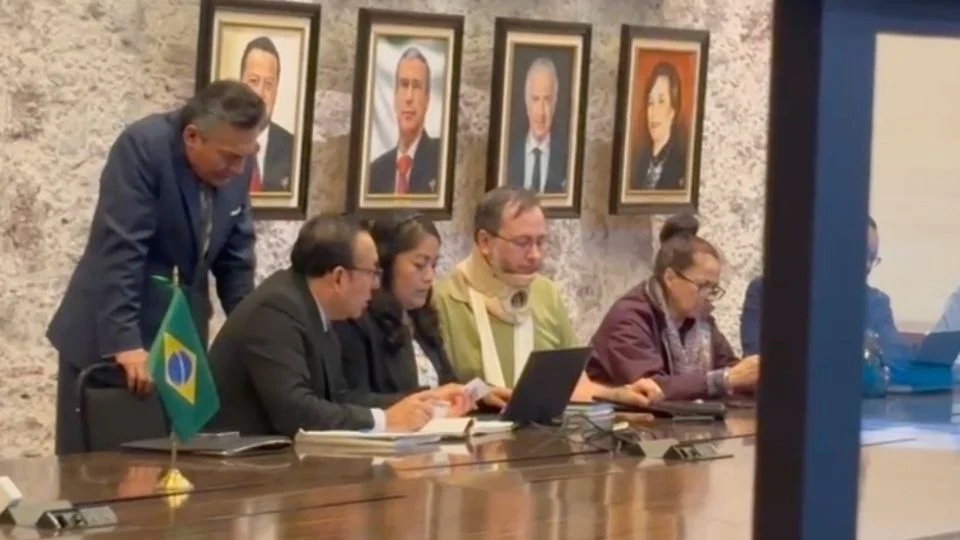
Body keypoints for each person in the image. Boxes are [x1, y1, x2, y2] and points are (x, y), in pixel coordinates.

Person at [46, 80, 264, 456]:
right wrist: (125, 343)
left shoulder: (238, 165)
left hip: (181, 346)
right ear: (192, 137)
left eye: (248, 155)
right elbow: (121, 250)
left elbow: (236, 261)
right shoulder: (143, 147)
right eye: (230, 157)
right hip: (114, 339)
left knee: (180, 469)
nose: (240, 168)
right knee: (105, 475)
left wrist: (256, 338)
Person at [207, 215, 471, 437]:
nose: (376, 285)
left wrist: (423, 404)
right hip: (233, 467)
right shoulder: (276, 310)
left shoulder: (316, 309)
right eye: (371, 273)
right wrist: (385, 420)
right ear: (339, 278)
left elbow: (338, 397)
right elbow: (296, 412)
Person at [433, 186, 663, 405]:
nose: (535, 255)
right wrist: (480, 395)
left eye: (541, 242)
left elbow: (572, 385)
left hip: (540, 430)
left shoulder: (546, 293)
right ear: (485, 242)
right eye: (522, 243)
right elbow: (434, 392)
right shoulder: (444, 298)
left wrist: (619, 394)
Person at [333, 213, 512, 408]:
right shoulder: (356, 318)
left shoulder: (420, 318)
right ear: (386, 264)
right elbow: (352, 400)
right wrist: (430, 399)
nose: (429, 276)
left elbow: (448, 385)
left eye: (433, 265)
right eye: (419, 265)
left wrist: (478, 393)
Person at [586, 214, 760, 400]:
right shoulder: (628, 319)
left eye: (713, 289)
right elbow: (651, 388)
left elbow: (730, 368)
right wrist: (725, 379)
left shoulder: (700, 320)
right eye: (703, 286)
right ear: (670, 278)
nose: (708, 297)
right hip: (612, 416)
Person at [740, 216, 911, 361]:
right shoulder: (766, 291)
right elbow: (755, 359)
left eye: (872, 258)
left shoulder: (875, 301)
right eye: (863, 253)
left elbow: (897, 357)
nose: (867, 265)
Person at [368, 47, 441, 195]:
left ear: (427, 99)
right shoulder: (375, 172)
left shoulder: (441, 158)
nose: (409, 97)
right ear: (395, 96)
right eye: (404, 84)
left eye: (417, 86)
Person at [239, 36, 294, 192]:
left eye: (269, 84)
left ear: (276, 90)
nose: (260, 93)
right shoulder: (221, 139)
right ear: (240, 84)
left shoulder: (293, 148)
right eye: (253, 81)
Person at [506, 57, 567, 194]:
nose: (541, 112)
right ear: (527, 103)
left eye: (547, 100)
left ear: (555, 103)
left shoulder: (567, 157)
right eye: (535, 99)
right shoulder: (508, 154)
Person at [629, 62, 688, 191]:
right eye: (650, 102)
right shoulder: (638, 161)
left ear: (673, 110)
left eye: (661, 101)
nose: (653, 112)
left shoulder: (681, 164)